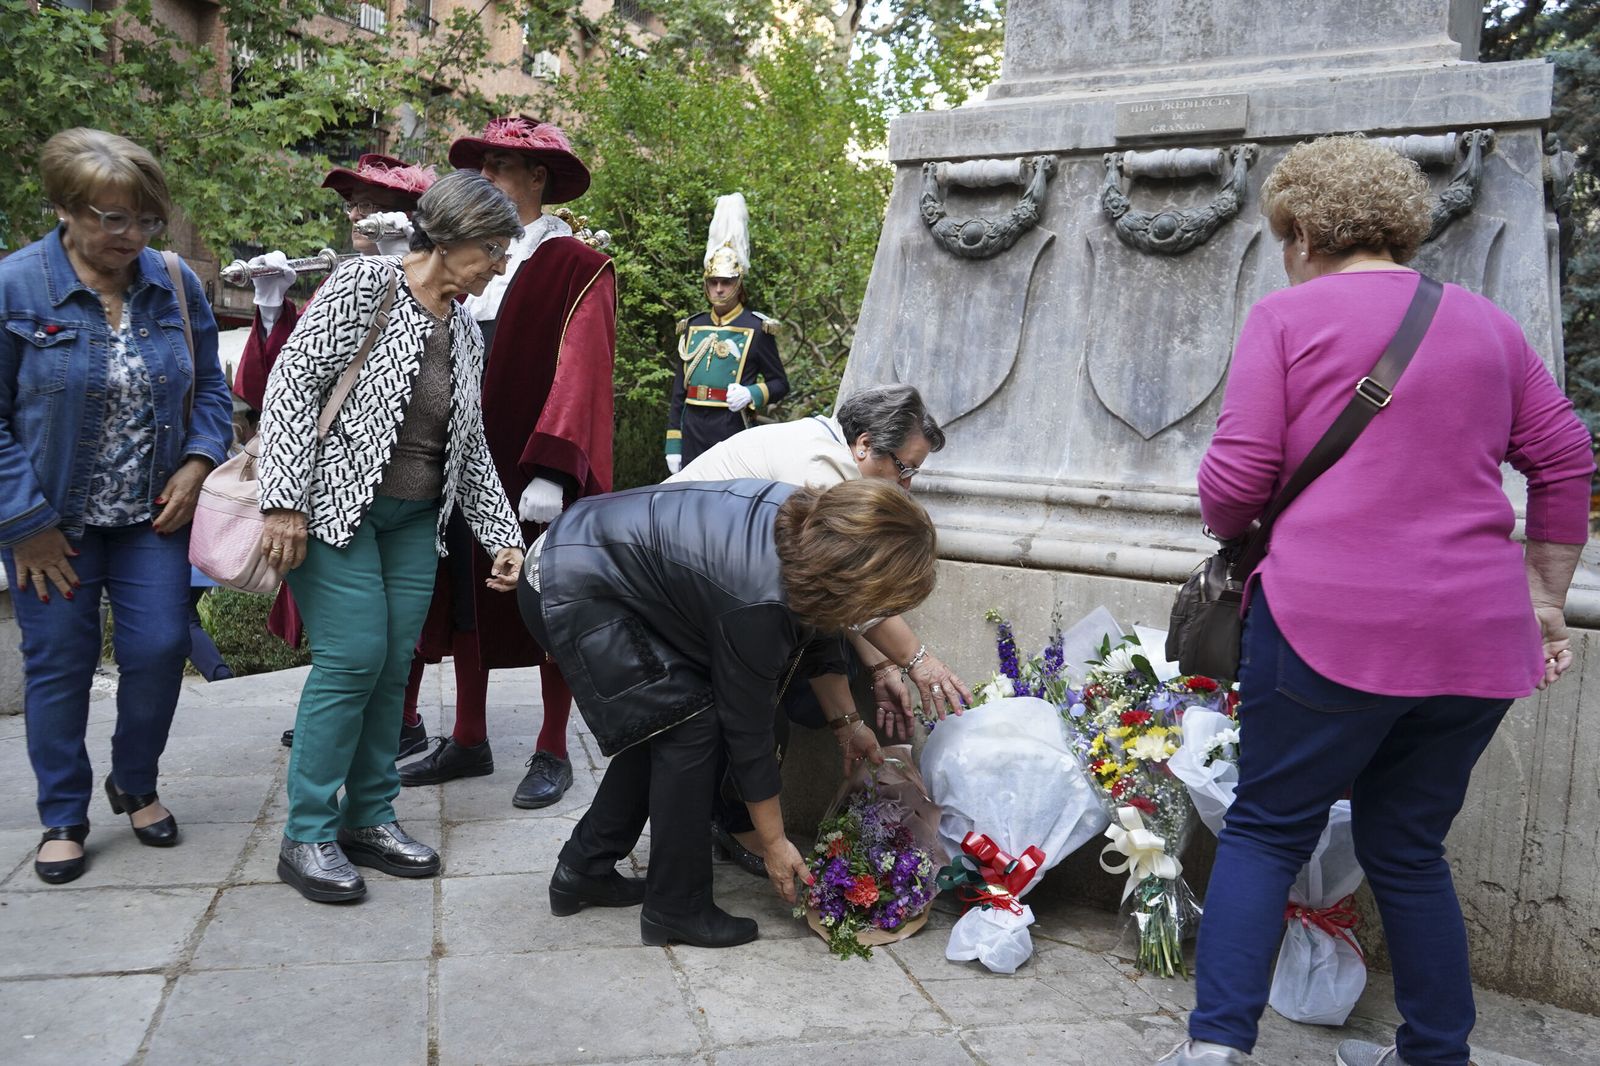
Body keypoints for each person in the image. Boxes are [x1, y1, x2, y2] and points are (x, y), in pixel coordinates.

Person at [1158, 135, 1593, 1066]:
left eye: (1284, 235)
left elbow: (1233, 491)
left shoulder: (1286, 317)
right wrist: (1545, 600)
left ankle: (1216, 1051)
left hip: (1328, 623)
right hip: (1476, 643)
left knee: (1269, 830)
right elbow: (1566, 461)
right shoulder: (1488, 324)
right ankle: (1436, 1054)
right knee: (1408, 847)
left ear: (1307, 229)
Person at [518, 478, 939, 948]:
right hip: (570, 583)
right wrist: (775, 842)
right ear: (852, 571)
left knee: (668, 720)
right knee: (693, 729)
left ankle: (584, 868)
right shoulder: (757, 600)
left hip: (582, 555)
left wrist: (847, 724)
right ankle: (675, 908)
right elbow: (748, 731)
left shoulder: (806, 528)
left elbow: (819, 625)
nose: (876, 613)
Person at [258, 171, 526, 903]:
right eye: (493, 250)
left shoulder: (464, 328)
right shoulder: (365, 286)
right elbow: (291, 387)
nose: (499, 265)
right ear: (452, 239)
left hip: (414, 522)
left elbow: (468, 448)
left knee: (391, 667)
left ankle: (368, 818)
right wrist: (284, 501)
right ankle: (306, 833)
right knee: (351, 660)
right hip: (335, 510)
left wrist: (502, 532)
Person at [0, 128, 232, 884]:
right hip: (50, 525)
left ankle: (134, 780)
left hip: (151, 518)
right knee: (60, 665)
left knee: (163, 647)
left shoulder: (171, 280)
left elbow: (211, 387)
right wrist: (25, 524)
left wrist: (198, 464)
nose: (132, 238)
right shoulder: (14, 287)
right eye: (113, 220)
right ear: (66, 209)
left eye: (145, 220)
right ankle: (63, 813)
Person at [398, 118, 615, 814]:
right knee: (466, 594)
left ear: (537, 178)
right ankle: (468, 736)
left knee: (550, 604)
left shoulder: (578, 266)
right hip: (456, 460)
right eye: (482, 163)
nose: (487, 174)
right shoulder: (470, 262)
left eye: (501, 164)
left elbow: (583, 371)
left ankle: (552, 747)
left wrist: (554, 466)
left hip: (533, 468)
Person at [669, 384, 973, 873]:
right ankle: (739, 829)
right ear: (865, 445)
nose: (906, 485)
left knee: (809, 667)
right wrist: (918, 661)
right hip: (682, 590)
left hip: (710, 588)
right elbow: (841, 576)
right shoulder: (823, 470)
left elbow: (837, 599)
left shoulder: (825, 450)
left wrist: (879, 667)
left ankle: (608, 855)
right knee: (762, 698)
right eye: (905, 467)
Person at [231, 153, 437, 758]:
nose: (357, 214)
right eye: (353, 203)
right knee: (349, 650)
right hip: (335, 496)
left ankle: (397, 725)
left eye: (371, 204)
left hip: (409, 495)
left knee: (391, 644)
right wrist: (272, 307)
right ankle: (324, 794)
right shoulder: (344, 278)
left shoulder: (440, 288)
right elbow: (286, 388)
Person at [663, 193, 788, 472]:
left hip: (732, 426)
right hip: (693, 429)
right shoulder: (692, 326)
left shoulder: (757, 328)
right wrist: (673, 443)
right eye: (714, 282)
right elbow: (678, 395)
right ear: (706, 285)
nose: (719, 289)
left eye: (727, 282)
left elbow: (780, 383)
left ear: (738, 283)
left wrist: (751, 393)